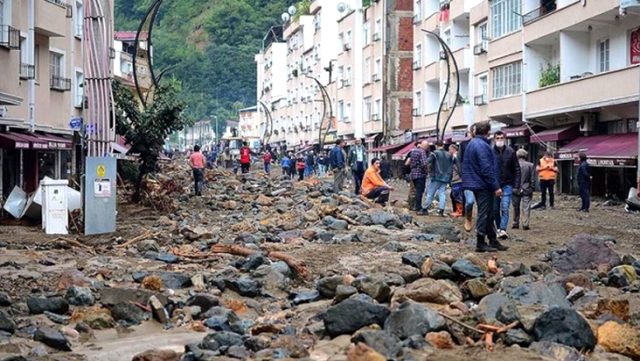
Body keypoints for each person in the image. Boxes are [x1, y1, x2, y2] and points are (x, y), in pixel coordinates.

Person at [461, 121, 508, 252]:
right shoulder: (482, 145)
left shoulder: (473, 143)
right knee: (485, 213)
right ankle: (480, 242)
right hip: (483, 184)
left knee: (487, 213)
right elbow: (486, 168)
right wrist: (496, 186)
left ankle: (492, 240)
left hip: (476, 183)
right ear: (488, 132)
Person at [493, 131, 521, 239]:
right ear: (494, 139)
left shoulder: (510, 152)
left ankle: (503, 229)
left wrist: (516, 185)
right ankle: (499, 228)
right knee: (495, 209)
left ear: (504, 139)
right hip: (494, 185)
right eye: (497, 138)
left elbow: (516, 168)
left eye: (501, 138)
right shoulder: (491, 152)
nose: (499, 140)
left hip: (507, 184)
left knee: (505, 207)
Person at [423, 141, 453, 216]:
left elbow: (427, 162)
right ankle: (441, 210)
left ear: (436, 145)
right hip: (446, 177)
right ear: (443, 145)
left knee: (430, 193)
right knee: (442, 193)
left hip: (436, 176)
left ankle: (424, 209)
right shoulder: (449, 154)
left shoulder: (434, 153)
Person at [512, 149, 535, 230]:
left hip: (515, 188)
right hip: (527, 188)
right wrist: (532, 187)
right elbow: (532, 178)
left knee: (515, 207)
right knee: (526, 207)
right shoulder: (530, 165)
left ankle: (515, 222)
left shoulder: (513, 165)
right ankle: (525, 223)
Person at [460, 124, 476, 232]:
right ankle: (468, 217)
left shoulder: (487, 143)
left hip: (482, 179)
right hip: (469, 178)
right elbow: (459, 160)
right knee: (470, 201)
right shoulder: (464, 144)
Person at [408, 140, 430, 215]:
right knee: (419, 191)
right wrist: (427, 172)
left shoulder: (413, 151)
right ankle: (418, 207)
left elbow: (410, 162)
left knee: (416, 191)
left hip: (413, 174)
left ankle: (413, 206)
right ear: (425, 146)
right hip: (420, 174)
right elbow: (424, 163)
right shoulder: (422, 152)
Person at [449, 144, 464, 217]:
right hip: (457, 179)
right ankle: (458, 211)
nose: (449, 151)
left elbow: (458, 169)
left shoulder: (456, 157)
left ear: (453, 149)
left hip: (457, 180)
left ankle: (459, 211)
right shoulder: (456, 157)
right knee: (454, 195)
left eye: (450, 149)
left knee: (457, 196)